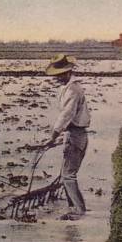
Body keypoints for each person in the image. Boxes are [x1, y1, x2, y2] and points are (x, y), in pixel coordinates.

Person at [44, 54, 91, 219]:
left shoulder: (72, 90)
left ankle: (79, 210)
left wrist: (53, 135)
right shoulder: (70, 87)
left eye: (58, 75)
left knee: (68, 175)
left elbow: (66, 115)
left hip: (76, 135)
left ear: (67, 72)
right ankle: (74, 207)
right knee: (67, 173)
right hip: (74, 133)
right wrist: (60, 136)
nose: (56, 79)